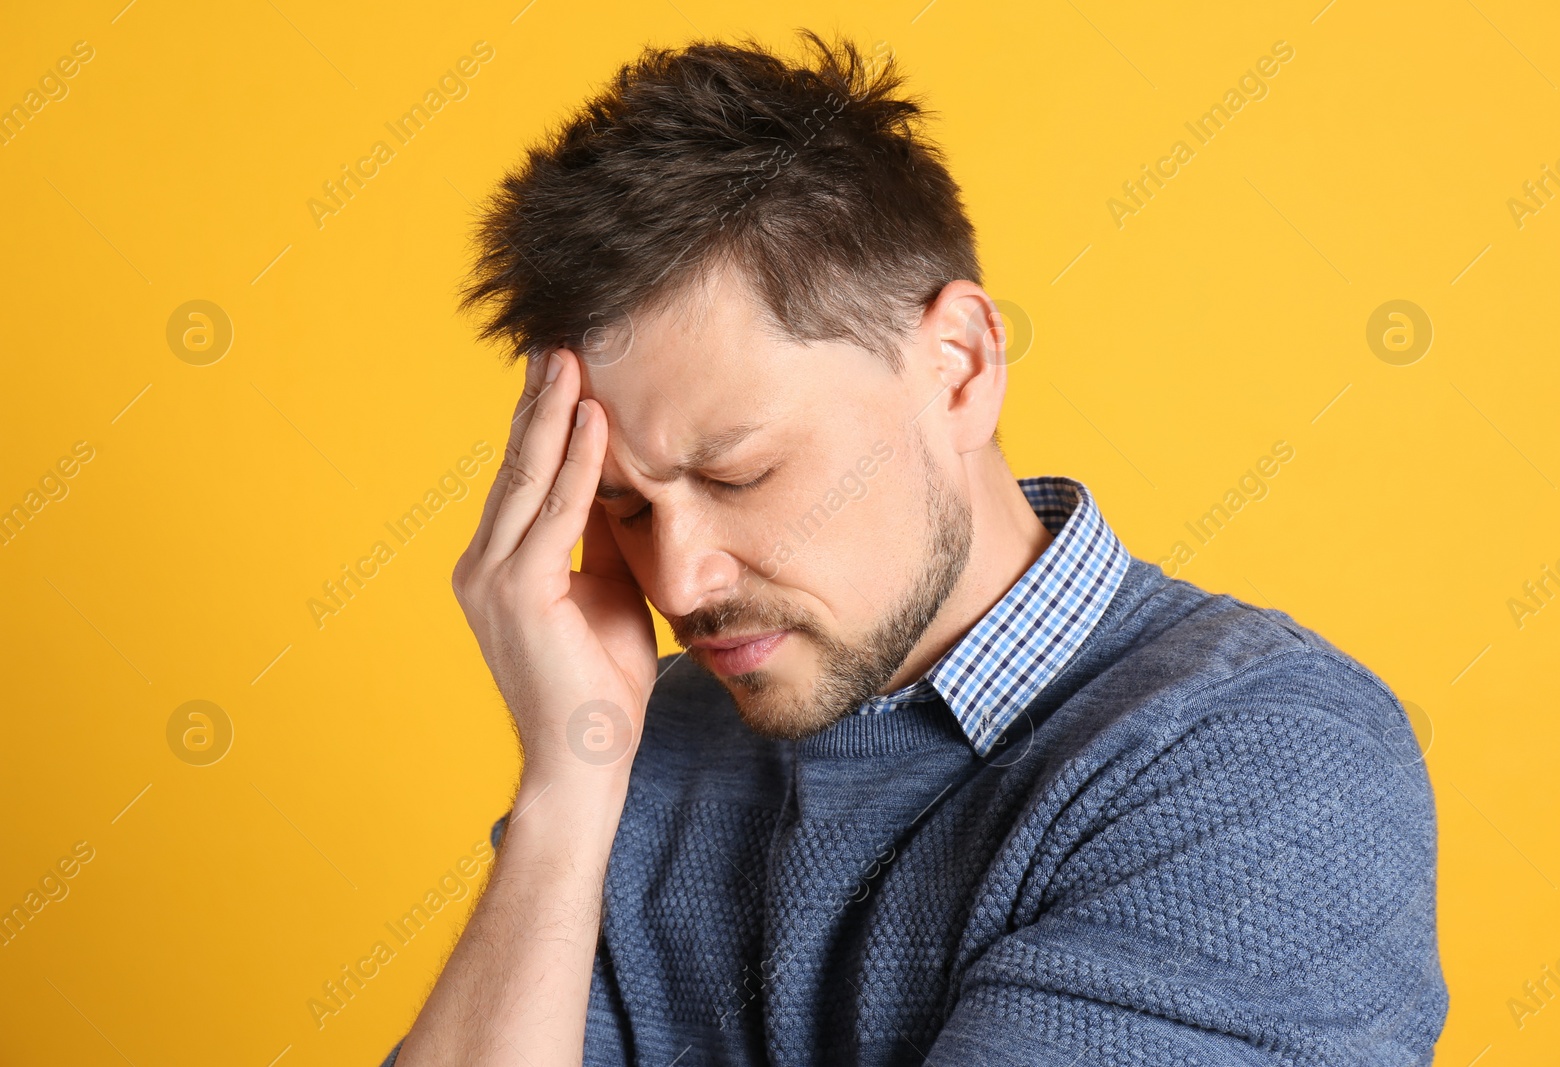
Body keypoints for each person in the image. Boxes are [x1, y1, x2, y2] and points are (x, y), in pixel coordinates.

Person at [384, 30, 1448, 1066]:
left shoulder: (1258, 760)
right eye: (621, 506)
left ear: (958, 366)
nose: (678, 580)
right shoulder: (633, 752)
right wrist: (567, 787)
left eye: (736, 473)